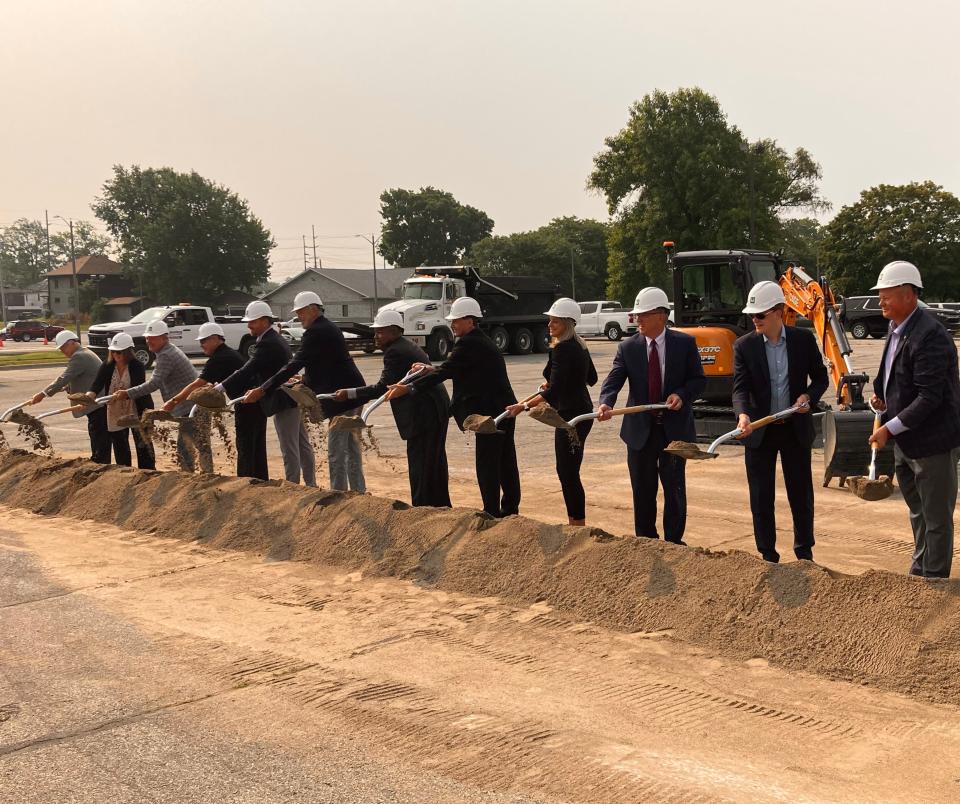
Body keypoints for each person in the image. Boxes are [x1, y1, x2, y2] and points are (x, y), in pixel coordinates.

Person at [867, 261, 960, 578]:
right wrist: (880, 400)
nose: (880, 302)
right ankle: (920, 571)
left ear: (908, 296)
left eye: (886, 296)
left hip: (931, 444)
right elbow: (891, 380)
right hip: (905, 444)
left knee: (936, 518)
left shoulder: (930, 336)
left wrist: (888, 429)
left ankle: (934, 583)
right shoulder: (895, 331)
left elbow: (929, 398)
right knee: (918, 512)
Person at [387, 296, 520, 518]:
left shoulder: (468, 343)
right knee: (506, 461)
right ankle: (510, 510)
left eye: (456, 320)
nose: (452, 324)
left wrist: (408, 389)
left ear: (470, 321)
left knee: (487, 463)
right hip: (503, 409)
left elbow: (446, 372)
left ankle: (491, 512)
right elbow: (454, 367)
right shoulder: (480, 341)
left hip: (490, 415)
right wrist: (429, 369)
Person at [598, 287, 705, 543]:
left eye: (642, 315)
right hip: (639, 433)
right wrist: (606, 402)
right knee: (643, 491)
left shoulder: (684, 343)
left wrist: (681, 394)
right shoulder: (628, 347)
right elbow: (614, 379)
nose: (637, 320)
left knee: (674, 490)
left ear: (660, 315)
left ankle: (674, 543)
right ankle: (646, 541)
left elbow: (698, 380)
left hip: (674, 432)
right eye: (636, 316)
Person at [733, 280, 828, 563]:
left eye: (760, 315)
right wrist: (743, 414)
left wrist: (807, 397)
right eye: (752, 315)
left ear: (777, 311)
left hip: (794, 430)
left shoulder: (802, 340)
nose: (755, 320)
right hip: (760, 431)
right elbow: (739, 388)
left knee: (800, 494)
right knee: (761, 497)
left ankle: (804, 553)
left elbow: (821, 377)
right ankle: (767, 554)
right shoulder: (744, 346)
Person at [244, 292, 365, 492]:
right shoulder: (327, 327)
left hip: (343, 398)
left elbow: (295, 363)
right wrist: (305, 379)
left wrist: (263, 389)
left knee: (336, 452)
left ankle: (338, 496)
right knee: (351, 450)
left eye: (300, 312)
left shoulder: (316, 331)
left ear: (312, 309)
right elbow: (323, 363)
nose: (298, 316)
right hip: (352, 392)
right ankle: (359, 493)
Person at [334, 309, 451, 507]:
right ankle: (439, 505)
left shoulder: (396, 352)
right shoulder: (404, 346)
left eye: (380, 332)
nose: (376, 336)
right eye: (376, 331)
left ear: (394, 331)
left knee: (421, 463)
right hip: (434, 408)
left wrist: (350, 393)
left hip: (425, 413)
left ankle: (423, 508)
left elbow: (382, 388)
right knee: (433, 461)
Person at [504, 298, 597, 525]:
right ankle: (576, 521)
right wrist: (561, 380)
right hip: (581, 412)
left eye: (555, 322)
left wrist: (523, 406)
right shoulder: (580, 345)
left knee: (567, 472)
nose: (549, 325)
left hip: (569, 419)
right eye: (550, 321)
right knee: (569, 471)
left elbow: (554, 393)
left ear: (567, 323)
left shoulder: (563, 349)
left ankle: (576, 523)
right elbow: (591, 378)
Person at [217, 300, 315, 486]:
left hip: (283, 399)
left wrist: (220, 387)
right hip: (290, 397)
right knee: (302, 444)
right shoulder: (274, 338)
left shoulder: (268, 343)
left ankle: (292, 486)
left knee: (290, 447)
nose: (249, 325)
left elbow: (248, 369)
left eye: (252, 321)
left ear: (263, 321)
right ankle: (310, 484)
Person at [162, 322, 269, 480]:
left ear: (215, 339)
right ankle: (260, 481)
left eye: (204, 341)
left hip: (247, 404)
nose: (202, 345)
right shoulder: (227, 354)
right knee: (256, 447)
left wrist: (173, 401)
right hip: (256, 403)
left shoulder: (220, 357)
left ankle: (246, 483)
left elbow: (197, 384)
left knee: (246, 446)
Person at [114, 318, 213, 474]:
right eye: (147, 337)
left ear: (164, 337)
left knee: (188, 449)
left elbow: (154, 383)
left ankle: (198, 480)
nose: (148, 341)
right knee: (198, 446)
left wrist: (127, 393)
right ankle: (203, 479)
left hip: (192, 408)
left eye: (152, 337)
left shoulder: (166, 355)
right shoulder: (167, 351)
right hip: (193, 406)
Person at [31, 330, 109, 463]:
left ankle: (100, 462)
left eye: (63, 348)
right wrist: (67, 388)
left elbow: (64, 377)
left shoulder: (80, 356)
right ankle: (98, 460)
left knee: (98, 434)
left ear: (72, 343)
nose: (62, 351)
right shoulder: (85, 353)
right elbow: (86, 377)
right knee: (96, 433)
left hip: (97, 403)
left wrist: (43, 394)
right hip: (96, 402)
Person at [87, 333, 155, 469]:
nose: (116, 355)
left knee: (143, 442)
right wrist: (89, 395)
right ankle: (124, 469)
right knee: (120, 442)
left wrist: (124, 393)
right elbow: (97, 384)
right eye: (113, 351)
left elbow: (137, 387)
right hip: (116, 409)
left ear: (128, 352)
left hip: (138, 408)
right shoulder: (107, 365)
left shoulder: (137, 366)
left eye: (119, 352)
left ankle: (148, 471)